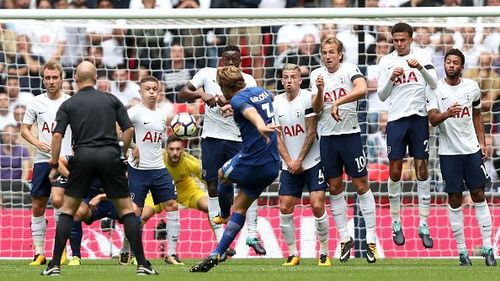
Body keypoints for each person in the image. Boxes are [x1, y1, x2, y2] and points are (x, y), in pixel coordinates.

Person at [41, 61, 157, 276]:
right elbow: (129, 129)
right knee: (126, 210)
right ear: (95, 79)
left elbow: (57, 135)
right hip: (109, 156)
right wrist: (121, 153)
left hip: (83, 157)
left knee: (68, 210)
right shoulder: (111, 99)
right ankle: (142, 264)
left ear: (75, 79)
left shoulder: (69, 104)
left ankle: (54, 265)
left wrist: (54, 163)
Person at [190, 66, 279, 273]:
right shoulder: (262, 92)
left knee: (221, 174)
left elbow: (251, 112)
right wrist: (234, 109)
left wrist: (259, 124)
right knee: (241, 208)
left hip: (252, 160)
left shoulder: (239, 101)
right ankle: (217, 253)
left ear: (225, 87)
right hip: (272, 165)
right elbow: (268, 100)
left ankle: (221, 214)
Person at [179, 45, 266, 255]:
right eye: (226, 60)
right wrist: (202, 94)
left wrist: (227, 102)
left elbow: (252, 102)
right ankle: (220, 240)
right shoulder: (207, 74)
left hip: (238, 139)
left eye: (234, 61)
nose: (230, 64)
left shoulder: (247, 81)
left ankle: (252, 234)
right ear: (221, 60)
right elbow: (183, 93)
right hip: (212, 139)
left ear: (240, 62)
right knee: (211, 185)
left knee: (248, 184)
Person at [426, 49, 497, 267]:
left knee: (479, 194)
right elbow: (432, 119)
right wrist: (447, 113)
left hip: (471, 150)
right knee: (455, 199)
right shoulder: (435, 88)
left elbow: (477, 115)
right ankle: (462, 251)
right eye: (448, 62)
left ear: (461, 66)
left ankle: (488, 248)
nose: (451, 65)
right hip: (449, 153)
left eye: (455, 62)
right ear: (444, 65)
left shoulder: (472, 87)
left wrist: (482, 142)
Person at [310, 37, 378, 263]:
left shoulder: (349, 69)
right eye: (324, 52)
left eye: (331, 52)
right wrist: (320, 91)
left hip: (350, 135)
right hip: (328, 138)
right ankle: (344, 239)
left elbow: (362, 88)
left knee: (361, 184)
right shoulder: (316, 75)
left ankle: (370, 240)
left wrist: (338, 102)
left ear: (340, 54)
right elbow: (317, 108)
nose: (327, 56)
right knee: (335, 187)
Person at [377, 22, 438, 248]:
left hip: (419, 118)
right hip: (396, 120)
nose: (400, 44)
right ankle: (395, 222)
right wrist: (392, 78)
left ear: (411, 39)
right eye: (396, 40)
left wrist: (420, 67)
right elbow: (382, 96)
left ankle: (423, 224)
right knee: (395, 171)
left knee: (422, 169)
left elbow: (434, 83)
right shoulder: (386, 61)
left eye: (403, 40)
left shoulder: (423, 54)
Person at [127, 135, 226, 264]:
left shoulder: (190, 161)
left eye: (178, 149)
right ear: (166, 149)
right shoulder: (158, 158)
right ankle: (128, 250)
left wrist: (223, 195)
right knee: (142, 215)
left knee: (209, 206)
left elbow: (209, 180)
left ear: (183, 149)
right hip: (159, 191)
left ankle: (222, 245)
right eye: (172, 149)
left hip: (185, 189)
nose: (175, 152)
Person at [273, 64, 329, 266]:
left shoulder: (307, 98)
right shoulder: (276, 102)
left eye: (293, 77)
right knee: (285, 207)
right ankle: (292, 253)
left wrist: (299, 160)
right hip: (289, 165)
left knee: (317, 204)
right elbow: (277, 136)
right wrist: (289, 162)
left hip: (312, 161)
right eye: (286, 77)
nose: (289, 81)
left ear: (300, 80)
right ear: (281, 80)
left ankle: (323, 252)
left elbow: (311, 131)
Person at [124, 75, 181, 264]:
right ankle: (128, 249)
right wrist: (132, 146)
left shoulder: (162, 114)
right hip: (138, 169)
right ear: (140, 92)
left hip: (158, 168)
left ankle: (171, 254)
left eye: (154, 89)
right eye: (147, 89)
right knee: (135, 211)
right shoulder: (133, 112)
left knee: (172, 205)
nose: (151, 92)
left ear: (159, 91)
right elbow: (117, 129)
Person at [20, 61, 72, 266]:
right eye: (47, 77)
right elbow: (24, 129)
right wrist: (37, 142)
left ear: (61, 78)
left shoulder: (71, 102)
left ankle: (62, 251)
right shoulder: (35, 102)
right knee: (38, 205)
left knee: (59, 201)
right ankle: (39, 253)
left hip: (64, 160)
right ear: (43, 79)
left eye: (54, 77)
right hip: (42, 160)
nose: (51, 81)